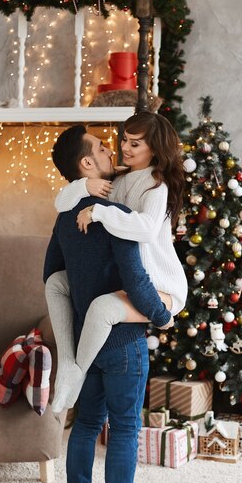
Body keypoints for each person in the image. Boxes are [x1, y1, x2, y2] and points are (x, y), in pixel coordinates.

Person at [44, 124, 172, 483]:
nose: (111, 150)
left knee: (85, 425)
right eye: (101, 148)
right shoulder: (116, 211)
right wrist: (160, 315)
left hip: (87, 337)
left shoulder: (65, 216)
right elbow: (135, 278)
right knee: (124, 429)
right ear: (87, 163)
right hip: (122, 341)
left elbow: (52, 273)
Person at [49, 111, 188, 413]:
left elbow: (146, 229)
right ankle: (68, 364)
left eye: (135, 144)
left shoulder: (156, 186)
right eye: (124, 139)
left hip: (162, 286)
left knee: (102, 308)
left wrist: (99, 212)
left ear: (153, 149)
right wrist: (84, 188)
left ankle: (76, 372)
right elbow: (61, 202)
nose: (123, 148)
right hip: (134, 281)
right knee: (56, 282)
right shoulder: (120, 179)